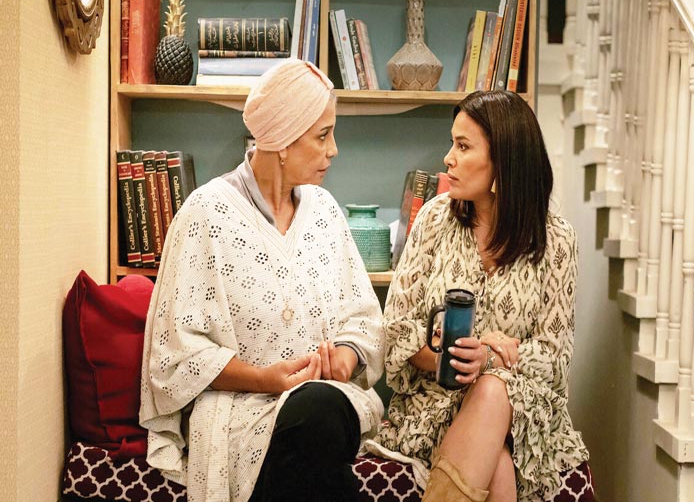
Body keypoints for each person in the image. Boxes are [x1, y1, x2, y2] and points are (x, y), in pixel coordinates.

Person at [138, 59, 385, 502]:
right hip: (237, 410)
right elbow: (175, 354)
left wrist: (345, 359)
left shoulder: (325, 211)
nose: (334, 150)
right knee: (314, 425)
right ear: (283, 142)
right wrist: (265, 380)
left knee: (319, 408)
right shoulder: (205, 214)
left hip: (329, 401)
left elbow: (363, 319)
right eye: (323, 135)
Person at [371, 91, 590, 501]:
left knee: (493, 389)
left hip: (522, 408)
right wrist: (453, 358)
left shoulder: (557, 240)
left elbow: (554, 356)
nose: (448, 158)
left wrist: (488, 359)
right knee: (499, 464)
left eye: (463, 146)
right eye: (452, 143)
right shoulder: (434, 219)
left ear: (502, 163)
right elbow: (398, 330)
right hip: (435, 402)